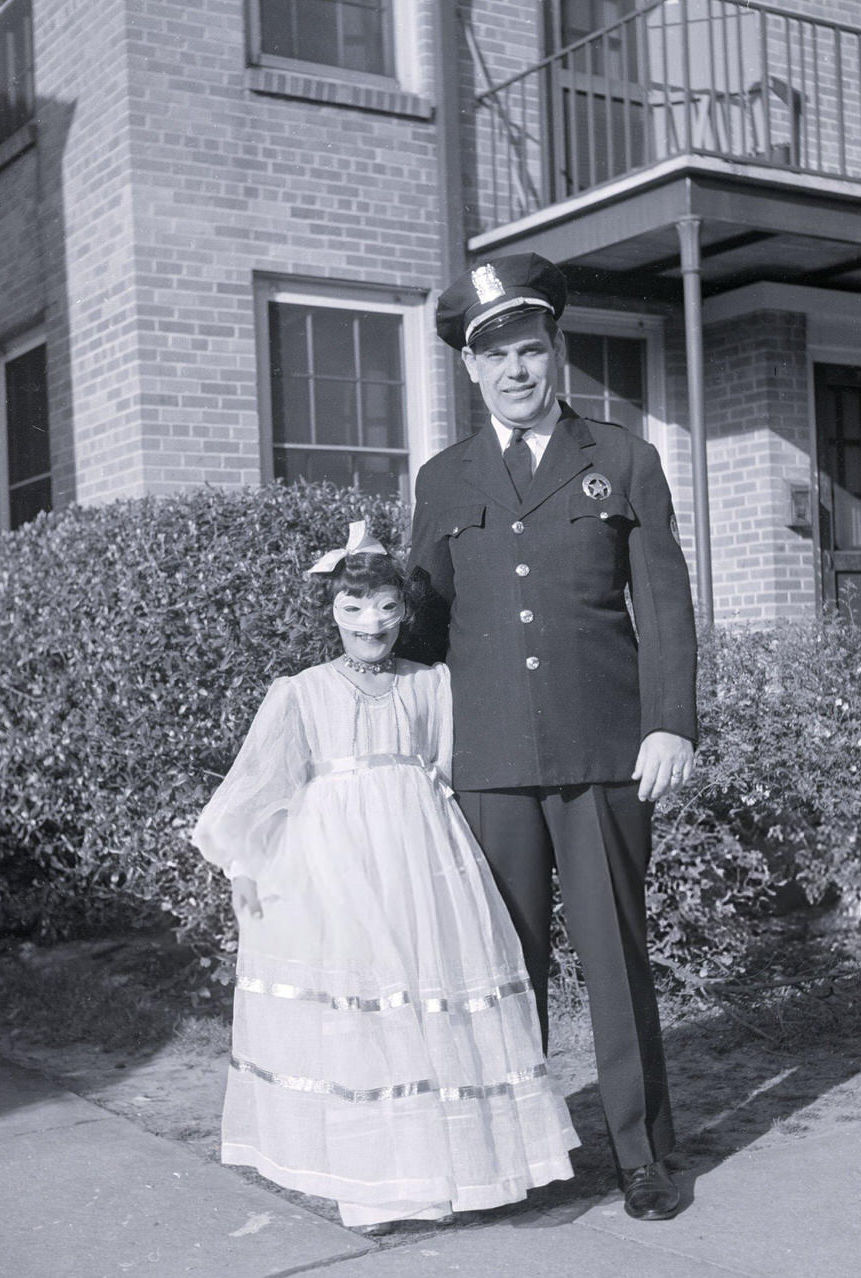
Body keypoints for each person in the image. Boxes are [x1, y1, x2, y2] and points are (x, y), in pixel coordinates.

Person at [405, 254, 698, 1222]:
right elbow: (426, 625)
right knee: (503, 968)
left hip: (604, 750)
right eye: (497, 358)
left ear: (553, 351)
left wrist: (669, 725)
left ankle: (643, 1157)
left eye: (532, 351)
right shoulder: (443, 479)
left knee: (614, 958)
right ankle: (519, 1158)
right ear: (468, 368)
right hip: (487, 761)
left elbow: (662, 604)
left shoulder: (620, 458)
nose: (517, 372)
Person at [191, 521, 578, 1234]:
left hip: (422, 859)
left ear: (404, 610)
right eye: (354, 610)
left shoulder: (432, 685)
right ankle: (374, 1179)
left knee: (427, 1001)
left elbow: (446, 769)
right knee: (360, 1008)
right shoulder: (302, 692)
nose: (372, 625)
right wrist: (246, 865)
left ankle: (449, 1167)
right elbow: (262, 784)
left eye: (386, 609)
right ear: (332, 613)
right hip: (334, 864)